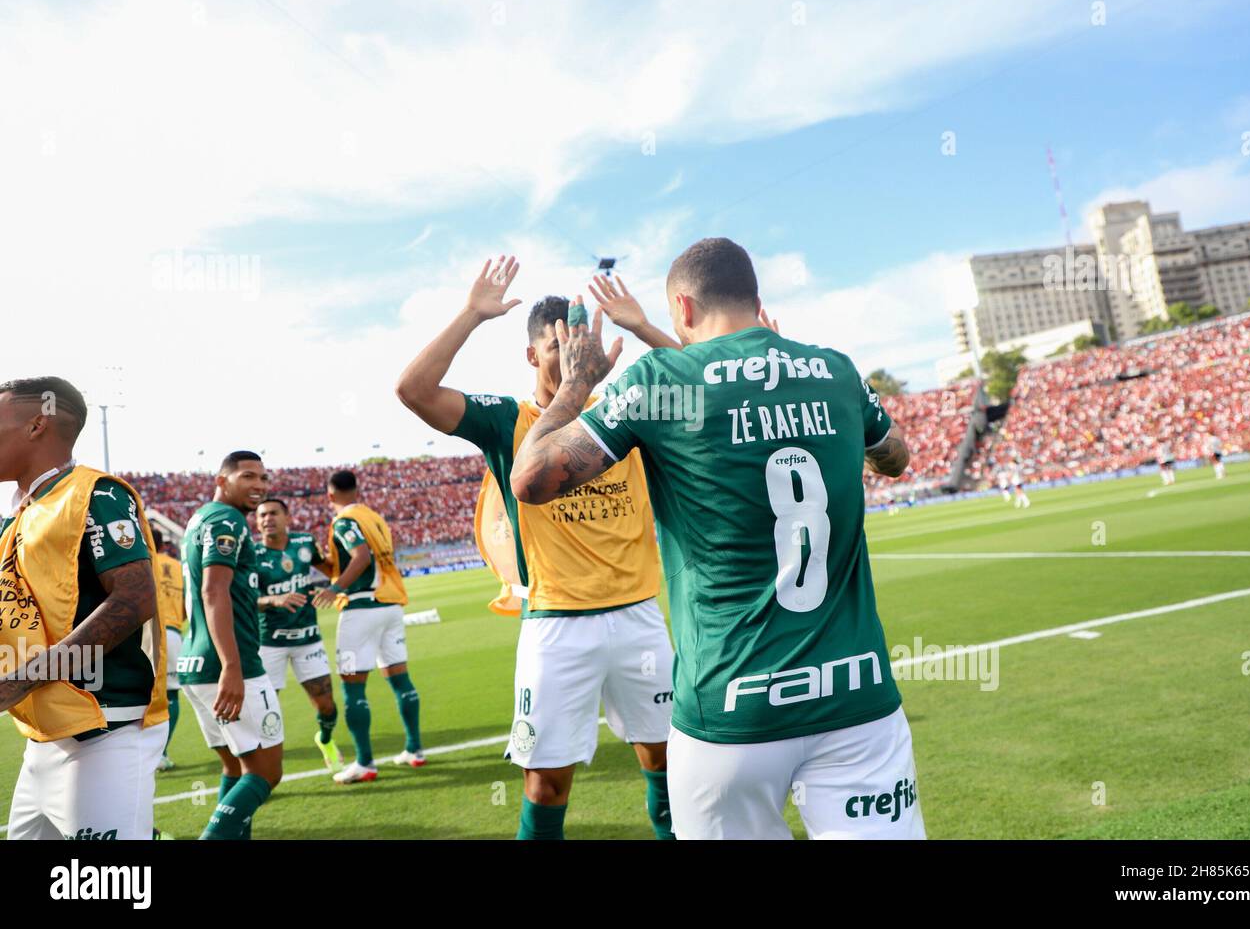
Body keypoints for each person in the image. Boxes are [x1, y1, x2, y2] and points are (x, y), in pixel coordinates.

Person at [510, 237, 924, 840]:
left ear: (682, 308)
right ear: (758, 302)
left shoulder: (659, 381)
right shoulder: (834, 369)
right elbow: (895, 457)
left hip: (729, 710)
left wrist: (576, 384)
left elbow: (531, 479)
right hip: (857, 698)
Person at [396, 257, 679, 840]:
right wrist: (472, 314)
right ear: (532, 356)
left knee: (671, 763)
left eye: (584, 344)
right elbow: (413, 390)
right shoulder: (508, 421)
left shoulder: (625, 414)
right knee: (547, 783)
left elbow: (700, 383)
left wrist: (646, 328)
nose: (579, 358)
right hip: (557, 627)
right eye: (561, 347)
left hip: (639, 617)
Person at [0, 376, 169, 840]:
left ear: (37, 425)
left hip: (105, 728)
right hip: (44, 735)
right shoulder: (20, 516)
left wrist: (20, 679)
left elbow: (135, 599)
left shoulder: (96, 493)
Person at [179, 451, 284, 839]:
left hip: (194, 663)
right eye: (248, 476)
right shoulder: (228, 520)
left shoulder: (200, 518)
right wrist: (232, 667)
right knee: (266, 771)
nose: (259, 485)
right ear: (222, 480)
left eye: (263, 478)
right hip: (225, 662)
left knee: (235, 767)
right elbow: (212, 590)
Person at [313, 469, 424, 783]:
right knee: (400, 679)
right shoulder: (373, 517)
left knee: (352, 686)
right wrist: (322, 563)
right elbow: (359, 559)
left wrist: (335, 589)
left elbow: (360, 557)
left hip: (361, 608)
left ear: (330, 495)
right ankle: (414, 750)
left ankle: (364, 763)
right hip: (390, 606)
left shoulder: (345, 521)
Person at [254, 498, 344, 772]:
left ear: (287, 518)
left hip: (308, 639)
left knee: (327, 706)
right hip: (269, 643)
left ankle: (325, 739)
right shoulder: (252, 555)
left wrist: (333, 586)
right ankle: (260, 769)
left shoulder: (305, 542)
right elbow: (243, 597)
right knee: (264, 712)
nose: (267, 519)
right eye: (262, 515)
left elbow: (331, 568)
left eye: (273, 513)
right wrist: (273, 600)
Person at [152, 526, 187, 771]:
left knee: (141, 696)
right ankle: (161, 753)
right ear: (164, 545)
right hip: (172, 633)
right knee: (171, 695)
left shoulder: (139, 561)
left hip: (143, 634)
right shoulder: (177, 566)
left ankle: (144, 753)